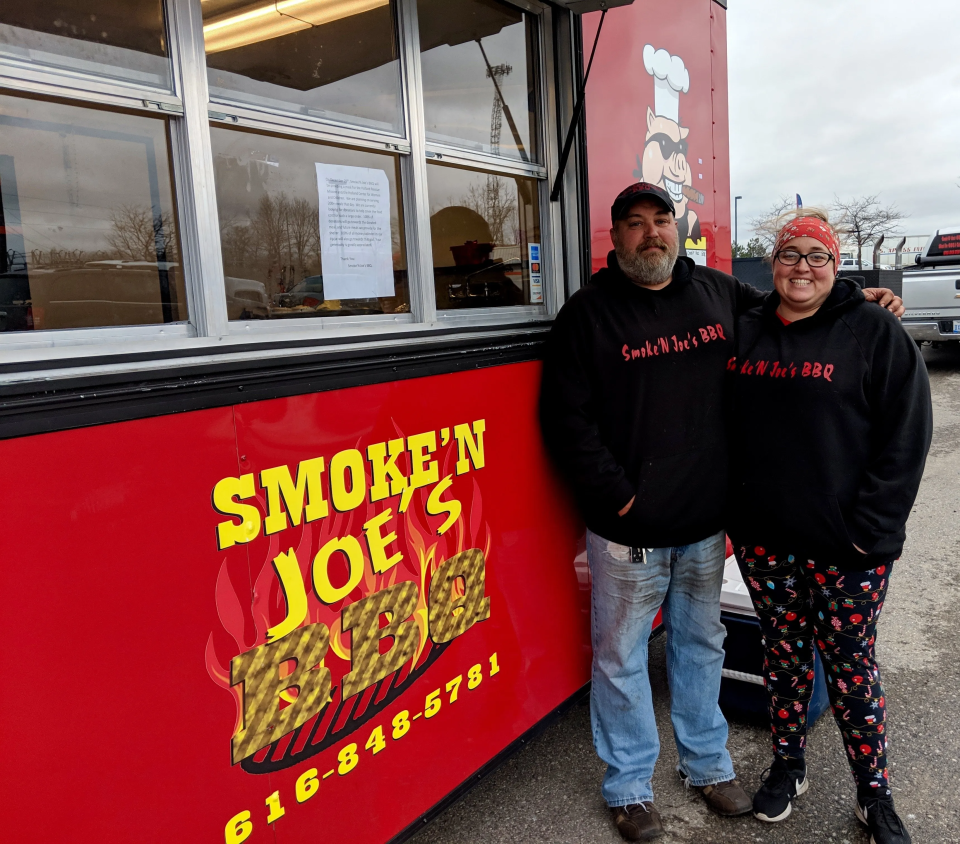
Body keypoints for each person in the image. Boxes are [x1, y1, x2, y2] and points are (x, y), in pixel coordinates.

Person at [539, 182, 904, 842]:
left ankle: (708, 768)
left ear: (676, 231)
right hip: (628, 535)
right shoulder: (586, 316)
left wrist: (862, 302)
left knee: (701, 647)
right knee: (621, 659)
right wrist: (621, 498)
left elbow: (798, 307)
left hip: (706, 529)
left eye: (661, 221)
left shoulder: (718, 293)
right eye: (635, 224)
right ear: (615, 237)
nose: (652, 233)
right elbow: (567, 422)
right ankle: (628, 785)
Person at [726, 209, 932, 844]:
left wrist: (871, 532)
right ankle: (788, 766)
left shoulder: (872, 330)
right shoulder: (746, 331)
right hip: (765, 542)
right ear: (774, 264)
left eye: (817, 256)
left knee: (850, 666)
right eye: (791, 255)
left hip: (848, 546)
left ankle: (875, 795)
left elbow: (906, 439)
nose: (803, 268)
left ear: (836, 265)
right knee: (783, 659)